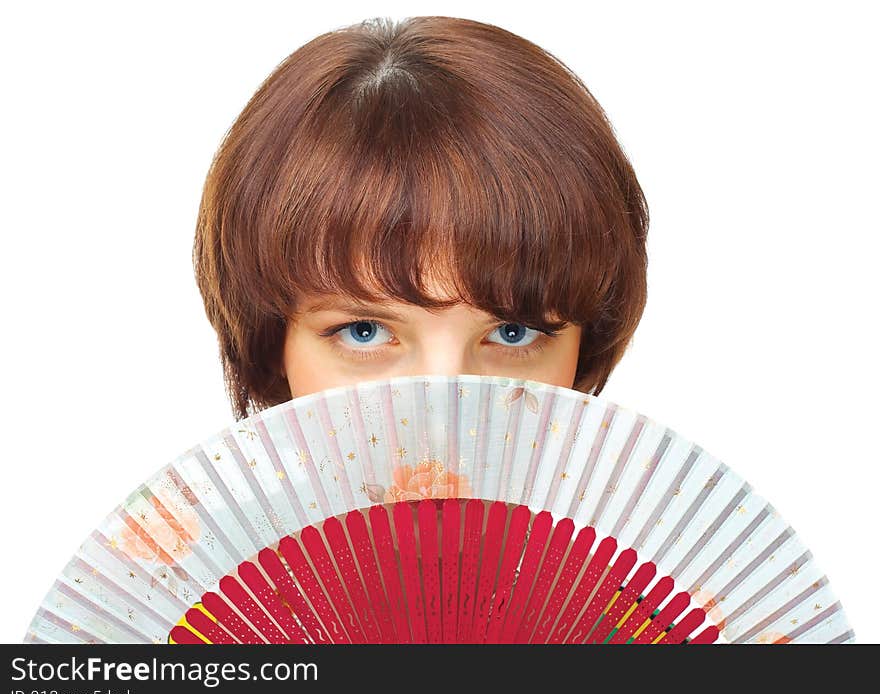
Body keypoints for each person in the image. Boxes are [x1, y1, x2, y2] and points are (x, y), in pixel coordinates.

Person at [193, 15, 648, 422]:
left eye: (513, 333)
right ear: (272, 349)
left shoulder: (640, 520)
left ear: (584, 346)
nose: (443, 417)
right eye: (364, 332)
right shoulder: (191, 522)